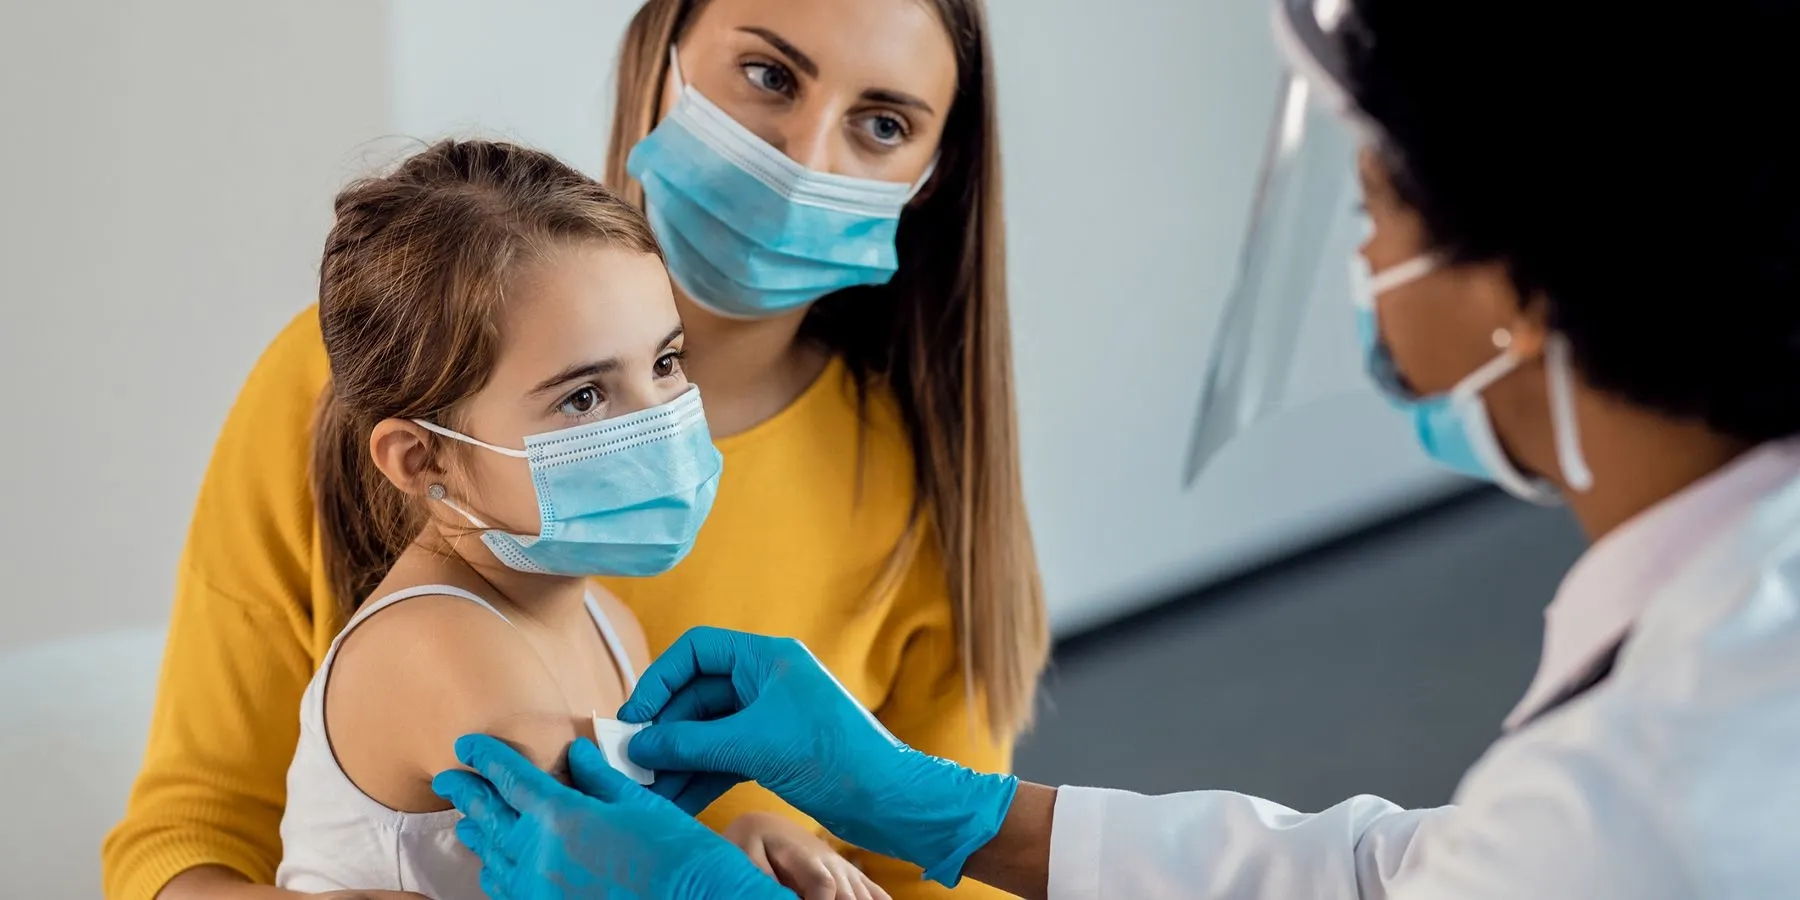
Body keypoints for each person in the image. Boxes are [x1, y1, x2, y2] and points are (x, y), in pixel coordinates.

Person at [434, 0, 1800, 896]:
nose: (1365, 256)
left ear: (1524, 292)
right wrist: (950, 808)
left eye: (1377, 201)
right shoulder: (1726, 637)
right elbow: (1401, 878)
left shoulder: (1658, 790)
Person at [101, 1, 1042, 898]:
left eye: (881, 123)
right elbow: (198, 826)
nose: (801, 159)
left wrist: (735, 859)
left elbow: (932, 879)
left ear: (934, 172)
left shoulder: (908, 502)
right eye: (767, 74)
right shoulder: (350, 397)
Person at [270, 138, 888, 900]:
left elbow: (649, 853)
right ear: (420, 458)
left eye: (665, 364)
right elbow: (624, 873)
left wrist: (746, 839)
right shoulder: (433, 646)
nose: (661, 425)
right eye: (585, 397)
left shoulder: (609, 623)